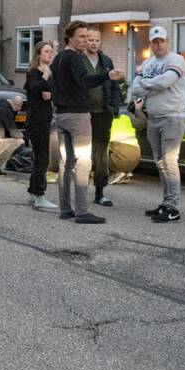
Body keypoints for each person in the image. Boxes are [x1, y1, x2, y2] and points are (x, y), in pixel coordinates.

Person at [51, 20, 124, 224]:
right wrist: (107, 75)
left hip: (61, 115)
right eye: (81, 37)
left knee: (65, 163)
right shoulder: (75, 58)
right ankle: (82, 212)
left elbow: (52, 84)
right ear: (70, 38)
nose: (85, 41)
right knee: (83, 162)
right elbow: (85, 81)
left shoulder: (58, 58)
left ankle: (66, 209)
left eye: (87, 37)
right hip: (77, 116)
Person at [129, 25, 185, 223]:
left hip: (172, 117)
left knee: (169, 162)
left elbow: (165, 82)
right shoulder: (147, 63)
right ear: (151, 44)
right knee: (160, 163)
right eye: (155, 42)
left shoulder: (176, 60)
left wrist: (145, 85)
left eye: (161, 41)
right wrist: (151, 86)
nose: (158, 44)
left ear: (167, 41)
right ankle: (166, 203)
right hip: (153, 118)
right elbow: (135, 89)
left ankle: (173, 208)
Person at [82, 27, 123, 207]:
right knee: (83, 154)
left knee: (101, 154)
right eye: (90, 40)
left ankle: (100, 193)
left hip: (103, 113)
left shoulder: (106, 61)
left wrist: (114, 108)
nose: (93, 43)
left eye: (97, 40)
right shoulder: (78, 60)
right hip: (83, 113)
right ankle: (80, 191)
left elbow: (114, 87)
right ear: (85, 41)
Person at [24, 40, 58, 211]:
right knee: (42, 159)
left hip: (45, 118)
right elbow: (34, 89)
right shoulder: (34, 71)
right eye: (46, 51)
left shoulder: (49, 72)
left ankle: (33, 192)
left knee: (40, 158)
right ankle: (39, 196)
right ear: (38, 54)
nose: (50, 54)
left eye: (51, 51)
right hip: (36, 121)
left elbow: (52, 93)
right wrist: (44, 77)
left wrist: (49, 93)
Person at [107, 103, 143, 184]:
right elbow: (143, 122)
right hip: (135, 161)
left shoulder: (107, 121)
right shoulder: (127, 119)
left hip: (121, 161)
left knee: (99, 151)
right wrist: (138, 109)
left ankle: (118, 172)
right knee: (118, 150)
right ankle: (126, 172)